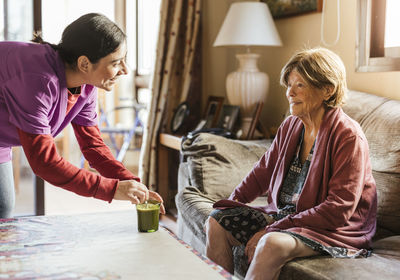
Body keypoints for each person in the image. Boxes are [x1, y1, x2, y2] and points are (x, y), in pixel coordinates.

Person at [205, 47, 377, 280]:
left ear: (328, 90)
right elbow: (262, 172)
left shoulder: (348, 136)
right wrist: (232, 203)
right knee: (216, 222)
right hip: (288, 217)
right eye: (288, 85)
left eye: (300, 85)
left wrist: (274, 227)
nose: (289, 93)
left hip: (332, 230)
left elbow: (339, 209)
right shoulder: (290, 125)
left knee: (270, 243)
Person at [0, 13, 165, 218]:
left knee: (2, 208)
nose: (125, 70)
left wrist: (131, 184)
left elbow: (93, 145)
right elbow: (44, 162)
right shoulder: (38, 80)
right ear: (84, 64)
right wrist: (112, 189)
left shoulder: (86, 86)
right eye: (116, 63)